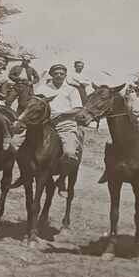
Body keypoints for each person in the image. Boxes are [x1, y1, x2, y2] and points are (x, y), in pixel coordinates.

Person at [33, 64, 85, 195]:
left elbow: (78, 109)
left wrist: (61, 114)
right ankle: (25, 175)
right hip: (44, 123)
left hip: (65, 125)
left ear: (65, 75)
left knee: (70, 153)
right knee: (18, 144)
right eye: (56, 73)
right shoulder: (43, 88)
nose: (59, 75)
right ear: (51, 74)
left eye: (62, 73)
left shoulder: (72, 90)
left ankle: (62, 179)